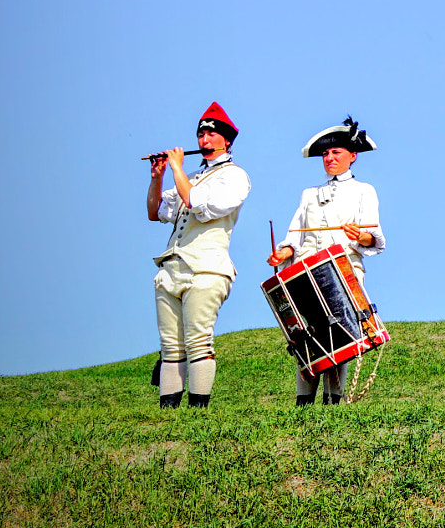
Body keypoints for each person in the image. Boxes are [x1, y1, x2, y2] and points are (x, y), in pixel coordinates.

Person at [269, 116, 383, 405]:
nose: (330, 158)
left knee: (340, 333)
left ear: (352, 157)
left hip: (344, 270)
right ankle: (303, 401)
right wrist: (282, 253)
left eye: (336, 153)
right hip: (305, 272)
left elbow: (375, 238)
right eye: (325, 154)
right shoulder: (309, 194)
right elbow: (294, 236)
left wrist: (361, 235)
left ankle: (333, 399)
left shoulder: (364, 190)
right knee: (305, 334)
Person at [147, 102, 251, 408]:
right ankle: (168, 412)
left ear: (226, 140)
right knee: (170, 346)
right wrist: (158, 176)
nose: (203, 140)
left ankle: (198, 411)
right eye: (200, 134)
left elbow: (196, 204)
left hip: (206, 269)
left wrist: (177, 169)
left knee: (198, 341)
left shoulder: (234, 176)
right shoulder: (190, 176)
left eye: (210, 133)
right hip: (172, 267)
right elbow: (154, 213)